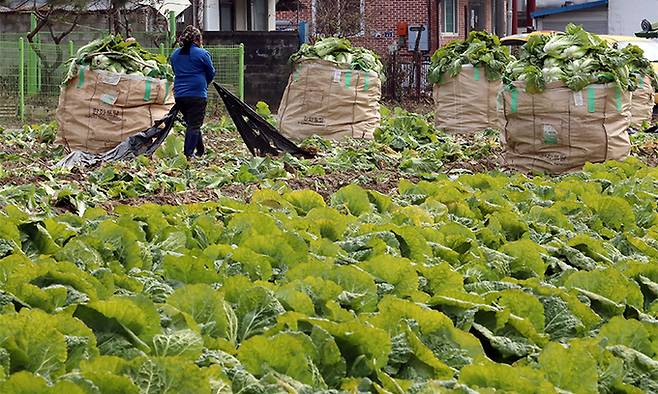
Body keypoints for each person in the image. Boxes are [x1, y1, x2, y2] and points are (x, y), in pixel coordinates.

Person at [170, 25, 216, 158]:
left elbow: (175, 71)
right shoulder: (202, 54)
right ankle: (188, 154)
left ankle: (200, 151)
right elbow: (211, 72)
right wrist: (204, 83)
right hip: (197, 94)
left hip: (179, 95)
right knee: (194, 125)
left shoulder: (175, 55)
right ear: (197, 39)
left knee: (192, 123)